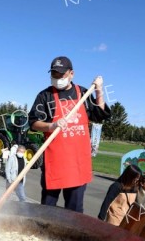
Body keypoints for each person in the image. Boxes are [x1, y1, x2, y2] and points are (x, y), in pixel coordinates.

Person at [28, 56, 110, 213]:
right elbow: (33, 122)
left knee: (74, 212)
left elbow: (100, 114)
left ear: (71, 74)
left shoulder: (83, 93)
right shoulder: (45, 96)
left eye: (61, 75)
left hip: (78, 166)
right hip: (54, 165)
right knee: (47, 209)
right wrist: (51, 125)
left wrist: (99, 90)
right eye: (54, 75)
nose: (57, 78)